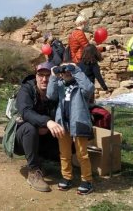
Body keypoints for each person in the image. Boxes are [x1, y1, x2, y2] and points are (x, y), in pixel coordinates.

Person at [14, 61, 63, 192]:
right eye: (41, 75)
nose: (44, 79)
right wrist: (46, 122)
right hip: (22, 137)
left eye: (48, 76)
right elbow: (25, 112)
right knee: (30, 128)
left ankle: (46, 160)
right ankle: (33, 171)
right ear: (36, 76)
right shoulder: (26, 89)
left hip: (45, 135)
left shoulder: (57, 91)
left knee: (65, 127)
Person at [47, 63, 95, 195]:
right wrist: (53, 77)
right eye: (63, 70)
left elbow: (89, 88)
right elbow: (51, 95)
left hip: (78, 121)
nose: (66, 72)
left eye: (69, 70)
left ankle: (87, 180)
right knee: (64, 153)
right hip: (63, 123)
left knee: (82, 154)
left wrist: (76, 70)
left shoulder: (80, 86)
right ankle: (67, 177)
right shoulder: (60, 84)